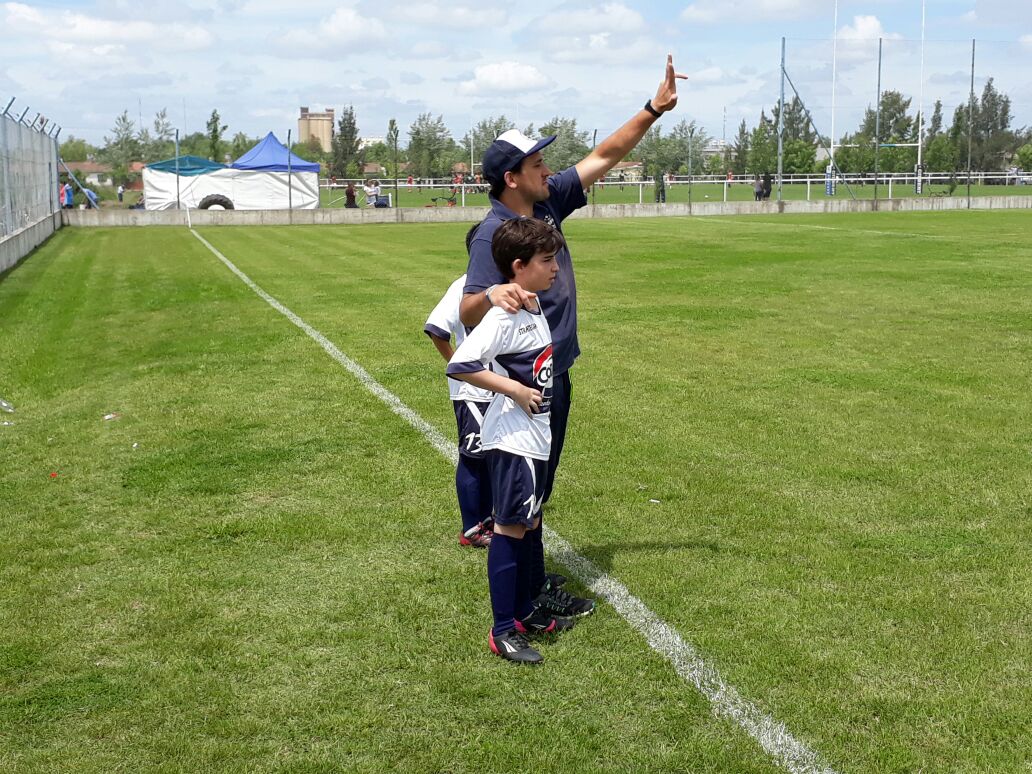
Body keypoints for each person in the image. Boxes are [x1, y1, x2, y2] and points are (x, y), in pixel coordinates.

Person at [459, 54, 687, 619]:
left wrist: (653, 108)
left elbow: (605, 155)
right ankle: (526, 599)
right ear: (511, 178)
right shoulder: (494, 234)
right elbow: (467, 310)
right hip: (524, 384)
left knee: (541, 488)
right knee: (527, 493)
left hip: (554, 372)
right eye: (537, 163)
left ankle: (534, 585)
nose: (548, 169)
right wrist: (494, 294)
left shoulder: (546, 203)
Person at [448, 217, 576, 664]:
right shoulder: (503, 316)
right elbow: (461, 364)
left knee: (530, 521)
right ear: (519, 267)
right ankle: (503, 629)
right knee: (510, 527)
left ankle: (525, 611)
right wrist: (515, 391)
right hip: (513, 439)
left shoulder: (533, 305)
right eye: (547, 260)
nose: (556, 267)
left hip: (536, 435)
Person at [424, 253, 495, 549]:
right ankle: (471, 529)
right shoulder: (464, 286)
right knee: (473, 455)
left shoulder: (505, 285)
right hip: (473, 392)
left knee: (493, 455)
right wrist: (461, 370)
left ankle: (488, 519)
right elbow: (436, 330)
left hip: (500, 388)